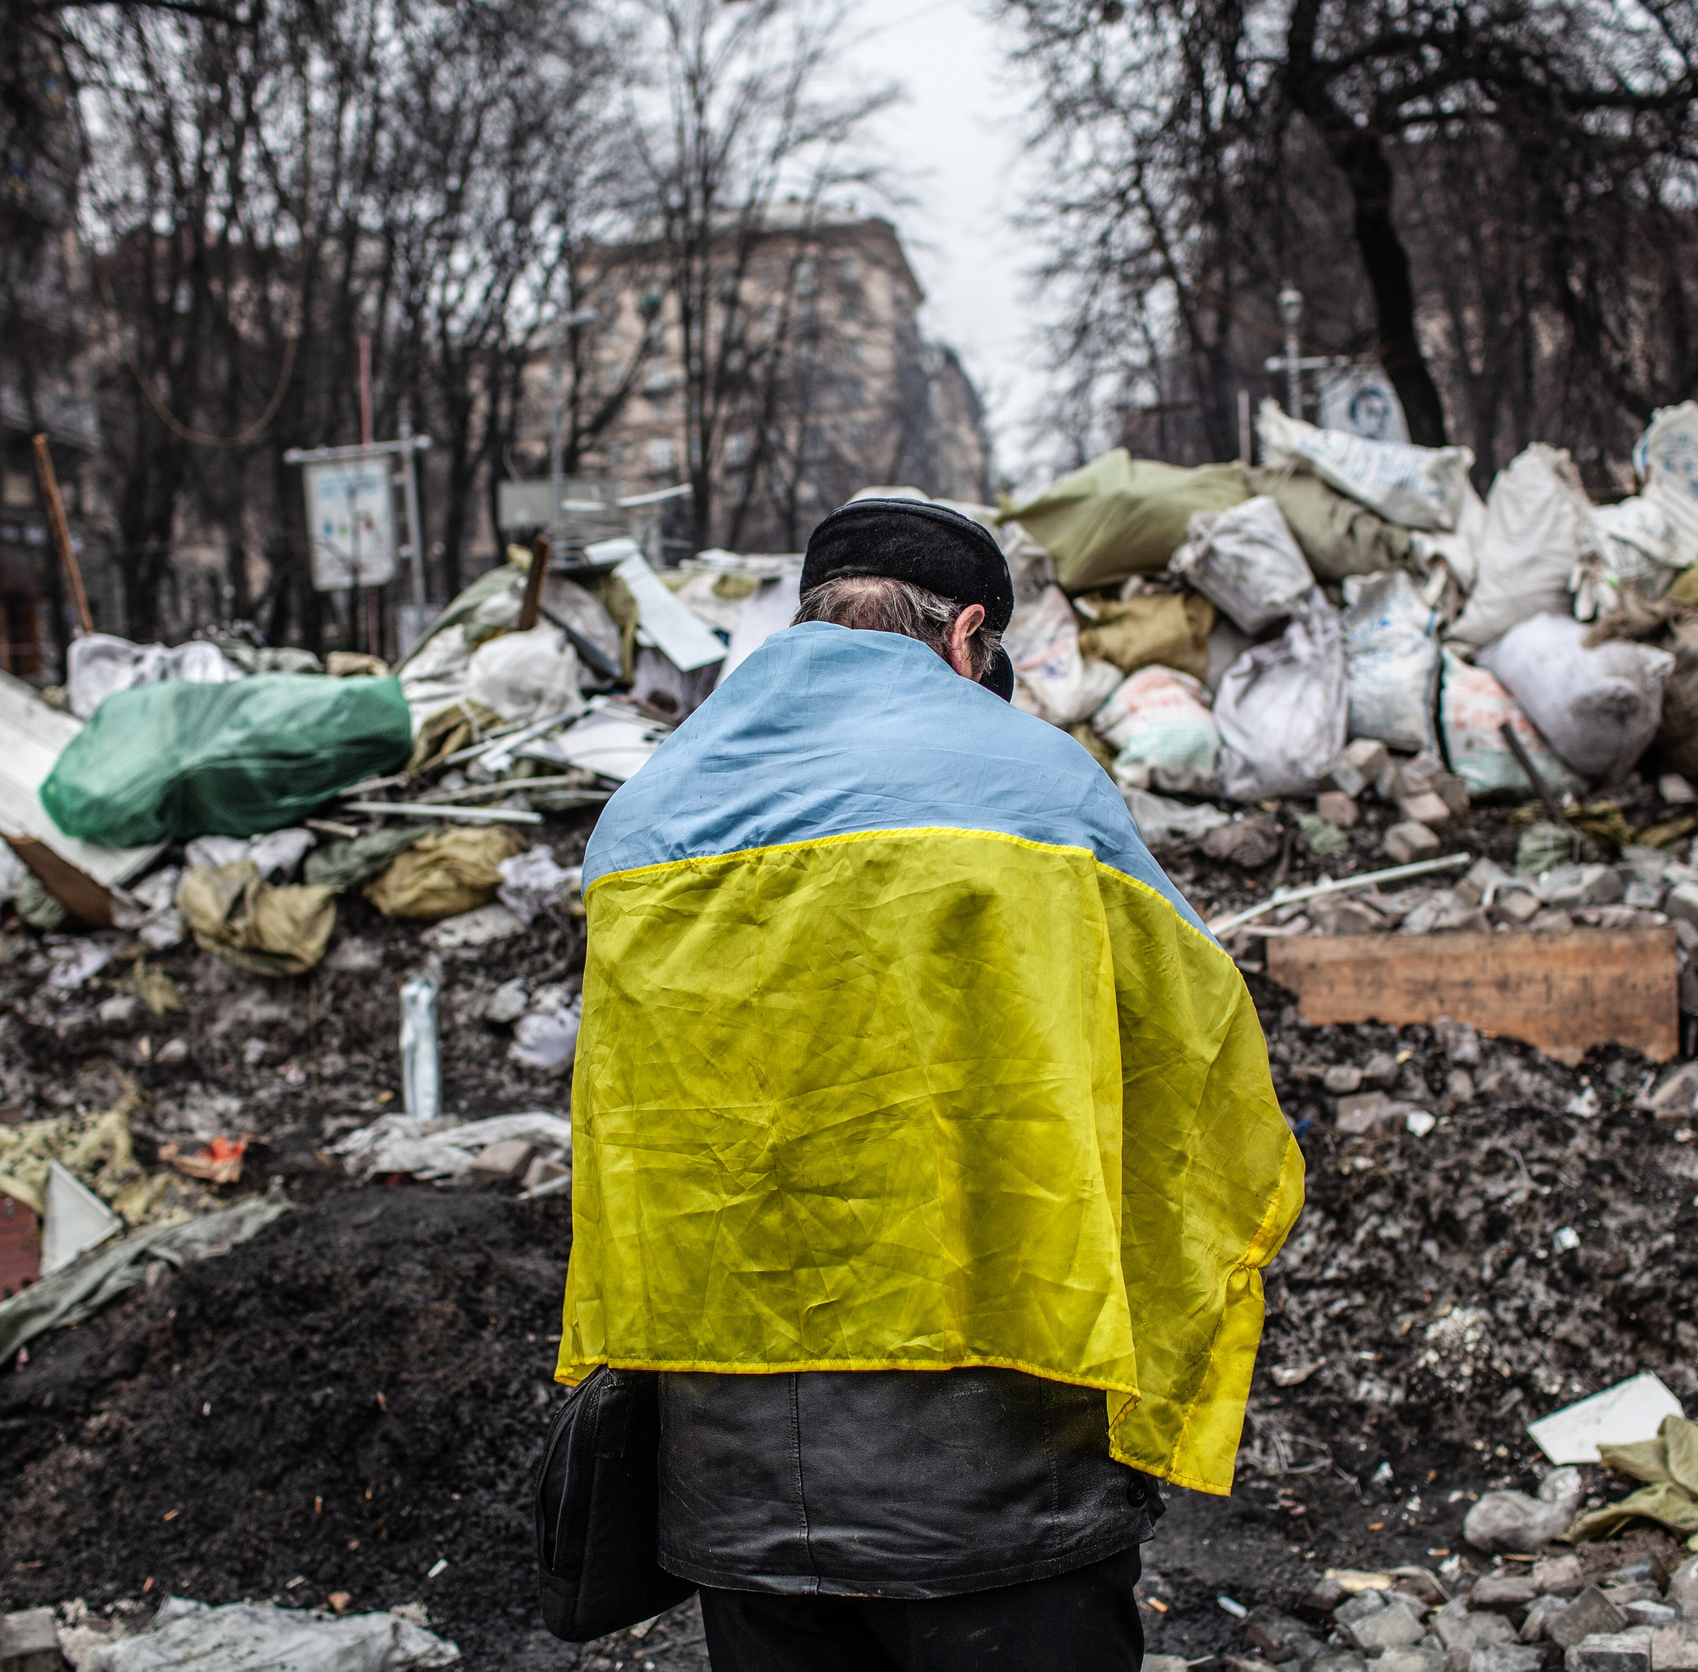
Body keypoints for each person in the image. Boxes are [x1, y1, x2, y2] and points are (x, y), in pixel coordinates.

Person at [557, 498, 1302, 1671]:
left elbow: (622, 1133)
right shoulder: (1039, 791)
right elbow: (1198, 1069)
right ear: (966, 637)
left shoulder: (644, 814)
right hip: (1000, 1478)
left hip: (730, 1477)